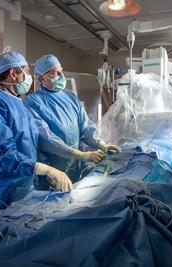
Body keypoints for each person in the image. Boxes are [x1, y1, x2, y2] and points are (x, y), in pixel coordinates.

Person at [0, 51, 101, 211]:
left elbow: (34, 146)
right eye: (27, 71)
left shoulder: (20, 105)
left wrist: (46, 172)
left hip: (24, 186)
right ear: (13, 73)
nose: (29, 76)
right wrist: (44, 169)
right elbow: (1, 152)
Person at [24, 54, 121, 182]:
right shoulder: (32, 102)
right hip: (52, 171)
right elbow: (47, 139)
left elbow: (86, 126)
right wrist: (80, 155)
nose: (61, 76)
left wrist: (102, 145)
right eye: (55, 73)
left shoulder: (71, 98)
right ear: (42, 78)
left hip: (75, 165)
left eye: (61, 71)